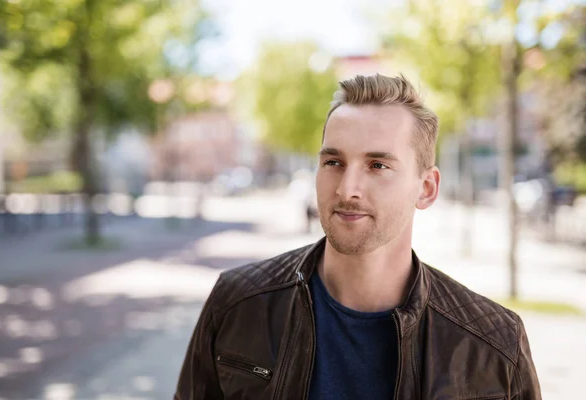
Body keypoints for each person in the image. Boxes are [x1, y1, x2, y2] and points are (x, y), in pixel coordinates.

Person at [174, 74, 541, 399]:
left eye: (378, 165)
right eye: (333, 162)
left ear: (426, 188)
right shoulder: (238, 303)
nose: (348, 189)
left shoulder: (493, 345)